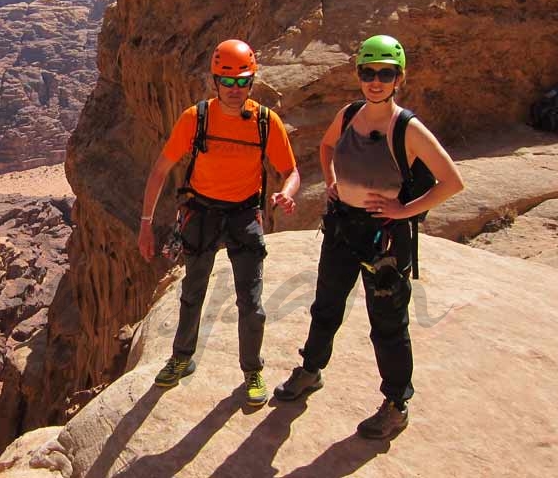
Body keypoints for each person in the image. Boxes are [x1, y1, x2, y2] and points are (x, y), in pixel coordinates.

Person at [273, 35, 463, 439]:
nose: (375, 81)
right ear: (358, 74)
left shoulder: (407, 128)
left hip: (386, 239)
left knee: (388, 324)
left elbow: (452, 181)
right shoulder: (349, 114)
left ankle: (396, 404)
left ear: (399, 78)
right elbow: (326, 147)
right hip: (343, 226)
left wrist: (403, 211)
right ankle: (311, 370)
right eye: (368, 72)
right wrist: (332, 181)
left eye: (385, 73)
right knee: (326, 304)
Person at [137, 39, 300, 405]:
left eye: (242, 82)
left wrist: (287, 191)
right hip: (202, 213)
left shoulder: (264, 121)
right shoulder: (195, 119)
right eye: (227, 82)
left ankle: (252, 370)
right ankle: (181, 359)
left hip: (244, 214)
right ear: (214, 81)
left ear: (252, 82)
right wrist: (145, 224)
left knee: (251, 301)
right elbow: (159, 171)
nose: (234, 90)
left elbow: (291, 171)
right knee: (192, 292)